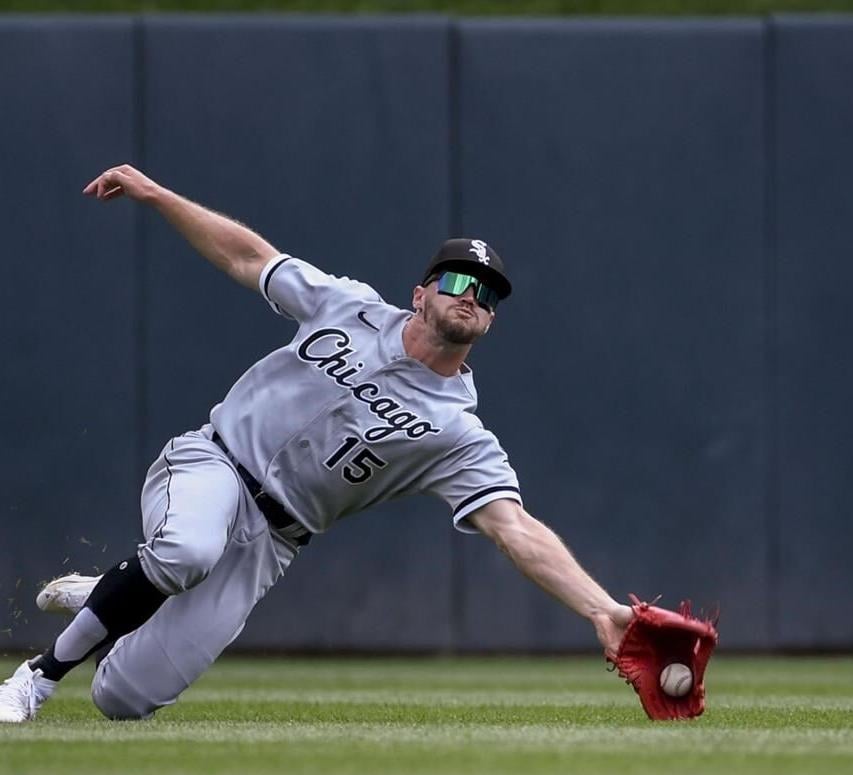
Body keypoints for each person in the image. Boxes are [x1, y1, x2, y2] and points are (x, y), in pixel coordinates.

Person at [0, 164, 632, 723]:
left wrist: (600, 608)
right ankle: (36, 679)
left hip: (273, 540)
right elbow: (248, 257)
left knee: (123, 698)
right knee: (188, 548)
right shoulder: (346, 306)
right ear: (420, 293)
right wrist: (158, 195)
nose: (473, 296)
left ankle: (118, 590)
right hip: (213, 461)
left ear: (492, 320)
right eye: (459, 281)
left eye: (487, 294)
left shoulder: (457, 433)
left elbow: (514, 529)